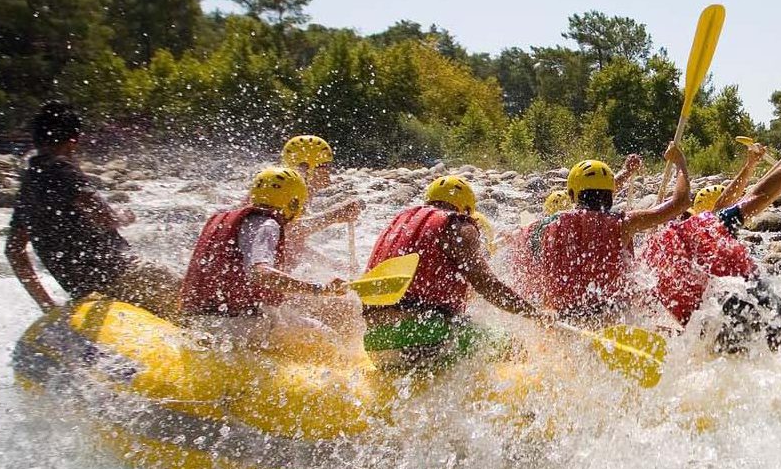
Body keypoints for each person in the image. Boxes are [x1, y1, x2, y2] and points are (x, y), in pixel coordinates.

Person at [6, 102, 180, 317]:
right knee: (198, 299)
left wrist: (47, 305)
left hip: (83, 291)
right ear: (73, 141)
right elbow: (105, 218)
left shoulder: (28, 187)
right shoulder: (63, 169)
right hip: (123, 274)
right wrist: (124, 217)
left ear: (36, 139)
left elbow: (14, 251)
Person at [644, 132, 781, 351]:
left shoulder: (649, 264)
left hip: (721, 336)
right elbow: (759, 195)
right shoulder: (709, 225)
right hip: (767, 314)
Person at [362, 175, 549, 373]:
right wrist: (535, 314)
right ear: (467, 210)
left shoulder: (397, 224)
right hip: (428, 336)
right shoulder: (457, 224)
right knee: (515, 348)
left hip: (376, 342)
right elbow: (487, 285)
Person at [519, 143, 691, 324]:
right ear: (610, 194)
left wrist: (626, 172)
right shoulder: (623, 224)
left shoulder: (547, 225)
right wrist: (680, 163)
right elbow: (681, 203)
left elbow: (593, 201)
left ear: (571, 195)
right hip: (612, 315)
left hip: (563, 319)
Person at [178, 167, 349, 345]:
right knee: (328, 338)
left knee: (288, 315)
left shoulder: (227, 217)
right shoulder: (268, 225)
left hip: (198, 318)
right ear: (293, 203)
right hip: (236, 325)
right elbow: (260, 273)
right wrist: (319, 289)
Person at [279, 135, 363, 268]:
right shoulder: (282, 188)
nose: (329, 172)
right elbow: (288, 233)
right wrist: (335, 215)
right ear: (307, 167)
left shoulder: (300, 190)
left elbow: (295, 246)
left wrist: (333, 265)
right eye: (325, 166)